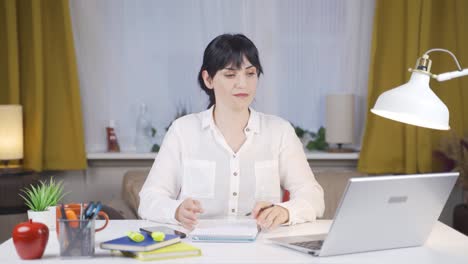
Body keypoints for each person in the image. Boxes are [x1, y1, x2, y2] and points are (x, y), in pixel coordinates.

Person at [138, 33, 324, 230]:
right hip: (199, 250)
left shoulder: (280, 131)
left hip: (262, 250)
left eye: (250, 73)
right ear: (208, 79)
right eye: (230, 74)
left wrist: (286, 211)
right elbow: (149, 199)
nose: (243, 83)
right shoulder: (183, 131)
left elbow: (312, 195)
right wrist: (176, 211)